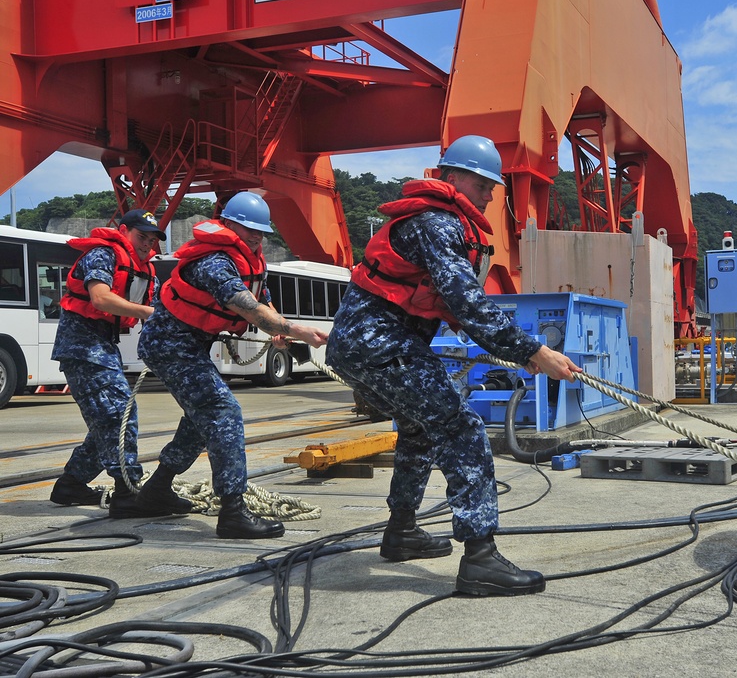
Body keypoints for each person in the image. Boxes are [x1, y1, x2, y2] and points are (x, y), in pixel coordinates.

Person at [326, 135, 582, 597]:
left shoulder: (435, 223)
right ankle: (481, 559)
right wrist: (533, 352)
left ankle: (401, 530)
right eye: (484, 182)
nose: (489, 193)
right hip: (382, 345)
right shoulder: (437, 222)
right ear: (451, 176)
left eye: (492, 185)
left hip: (364, 346)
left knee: (421, 428)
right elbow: (467, 300)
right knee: (461, 429)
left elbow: (446, 300)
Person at [137, 191, 328, 539]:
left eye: (260, 231)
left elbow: (262, 301)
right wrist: (293, 329)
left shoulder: (252, 258)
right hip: (169, 345)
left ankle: (155, 491)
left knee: (200, 420)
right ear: (228, 225)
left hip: (192, 345)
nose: (255, 236)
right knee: (223, 411)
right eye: (247, 229)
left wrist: (280, 331)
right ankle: (233, 511)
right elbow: (244, 306)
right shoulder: (213, 261)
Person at [49, 209, 171, 516]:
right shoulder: (103, 255)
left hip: (104, 344)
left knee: (107, 422)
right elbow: (101, 298)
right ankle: (127, 493)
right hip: (82, 346)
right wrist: (146, 313)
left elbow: (157, 310)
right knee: (119, 416)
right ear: (125, 230)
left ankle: (71, 485)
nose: (146, 244)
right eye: (141, 236)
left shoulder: (145, 270)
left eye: (152, 239)